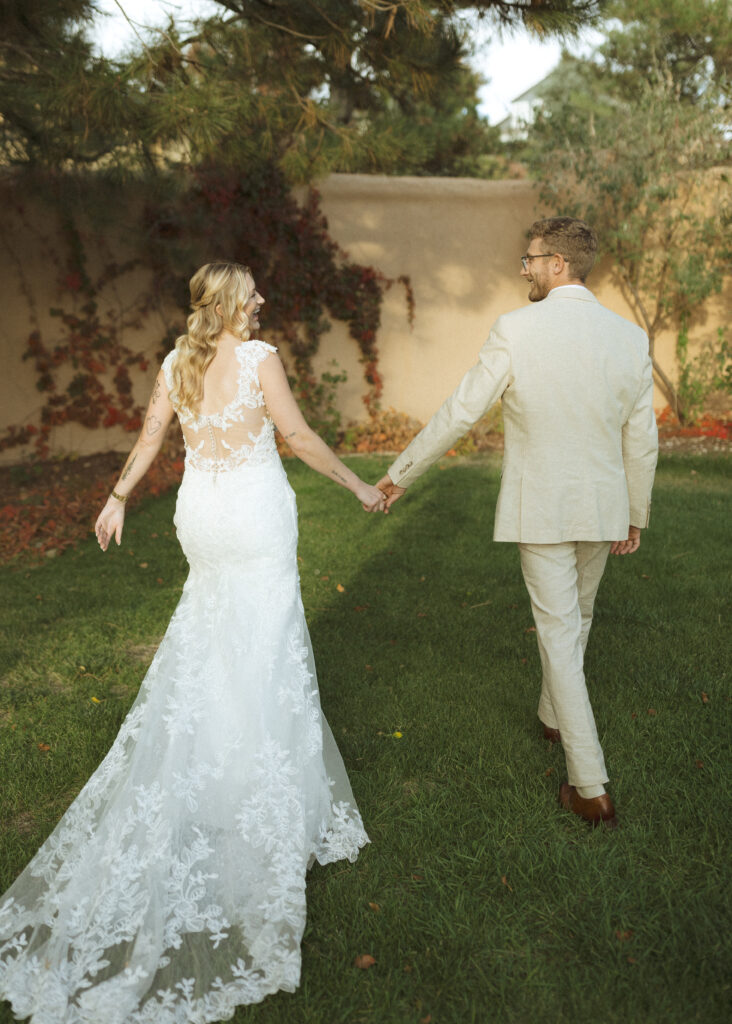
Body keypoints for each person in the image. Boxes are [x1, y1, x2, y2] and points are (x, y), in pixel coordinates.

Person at [0, 261, 384, 1021]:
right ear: (232, 304)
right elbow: (299, 437)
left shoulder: (178, 361)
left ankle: (220, 776)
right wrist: (359, 485)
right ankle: (254, 797)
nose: (264, 300)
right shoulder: (261, 359)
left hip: (200, 517)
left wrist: (115, 500)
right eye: (254, 293)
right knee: (265, 647)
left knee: (212, 642)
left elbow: (149, 439)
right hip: (251, 517)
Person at [377, 217, 658, 828]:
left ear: (559, 263)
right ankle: (553, 718)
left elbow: (461, 413)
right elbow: (642, 439)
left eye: (530, 259)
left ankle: (589, 787)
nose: (524, 268)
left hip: (544, 508)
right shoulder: (629, 338)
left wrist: (402, 472)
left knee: (562, 632)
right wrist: (634, 510)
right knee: (575, 620)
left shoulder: (516, 329)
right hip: (602, 505)